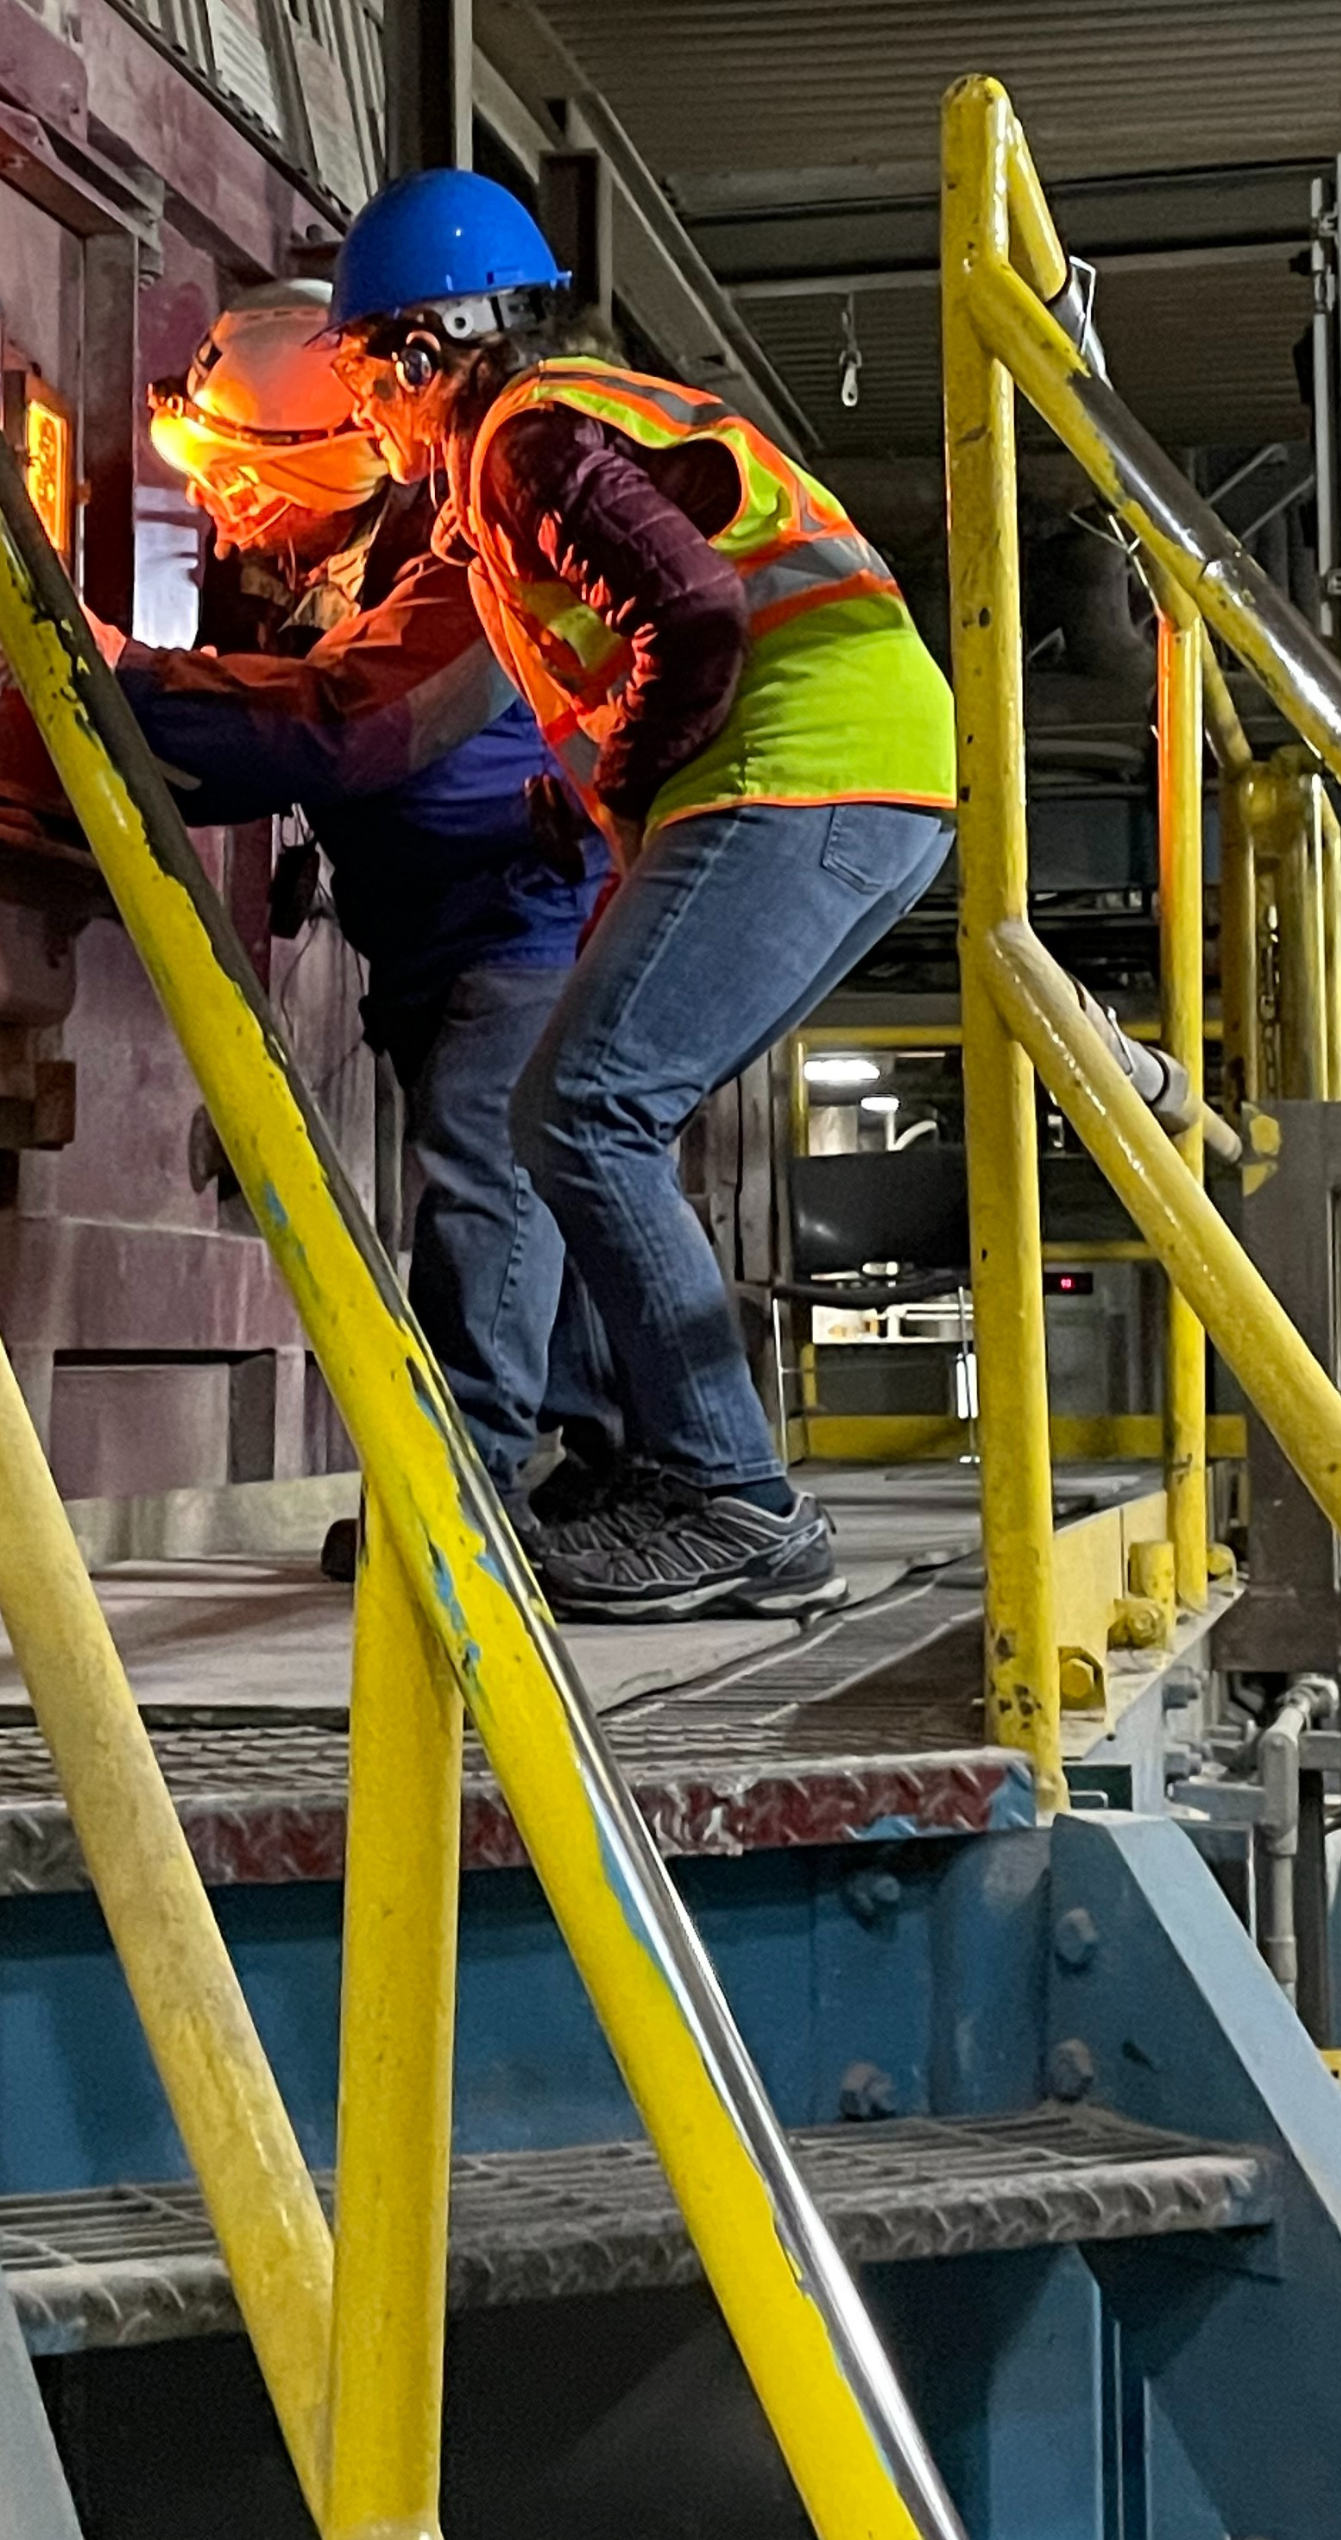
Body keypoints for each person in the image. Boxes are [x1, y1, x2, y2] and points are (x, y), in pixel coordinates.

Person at [306, 169, 963, 1620]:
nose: (364, 416)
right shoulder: (546, 453)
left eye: (366, 375)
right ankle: (640, 1474)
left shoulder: (528, 443)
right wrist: (590, 793)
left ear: (427, 352)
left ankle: (728, 1496)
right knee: (589, 1109)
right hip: (857, 773)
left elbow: (698, 613)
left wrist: (630, 776)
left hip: (806, 769)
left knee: (584, 1110)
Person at [114, 290, 632, 1561]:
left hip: (524, 920)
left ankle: (466, 1504)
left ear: (342, 454)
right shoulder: (320, 570)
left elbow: (346, 727)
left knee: (488, 1184)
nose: (222, 503)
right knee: (531, 1193)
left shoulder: (458, 561)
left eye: (241, 472)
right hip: (445, 937)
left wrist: (119, 671)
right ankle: (616, 1469)